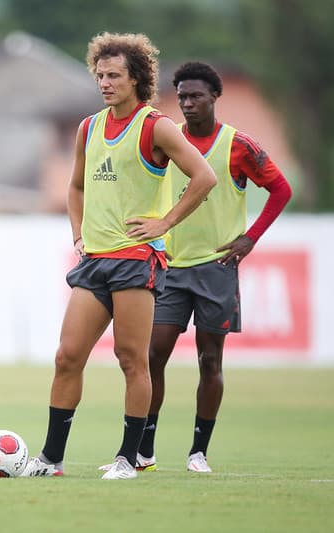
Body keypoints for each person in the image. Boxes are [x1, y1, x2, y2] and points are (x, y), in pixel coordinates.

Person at [22, 32, 217, 480]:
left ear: (137, 79)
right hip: (94, 261)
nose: (105, 83)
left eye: (114, 76)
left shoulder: (156, 126)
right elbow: (74, 186)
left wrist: (164, 224)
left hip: (136, 259)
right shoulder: (88, 128)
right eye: (100, 75)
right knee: (67, 356)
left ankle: (129, 459)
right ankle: (52, 459)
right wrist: (78, 232)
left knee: (133, 360)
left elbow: (204, 176)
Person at [135, 61, 292, 473]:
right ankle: (144, 448)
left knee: (209, 361)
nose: (187, 104)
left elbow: (280, 189)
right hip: (171, 266)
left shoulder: (238, 146)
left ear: (214, 98)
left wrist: (249, 237)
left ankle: (198, 452)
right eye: (182, 97)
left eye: (195, 96)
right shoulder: (167, 143)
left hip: (215, 269)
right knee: (153, 355)